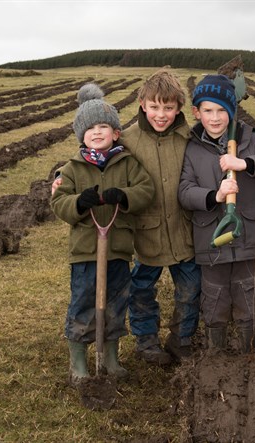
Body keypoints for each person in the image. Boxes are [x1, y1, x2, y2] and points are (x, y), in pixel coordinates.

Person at [178, 74, 255, 353]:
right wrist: (215, 195)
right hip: (211, 238)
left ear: (231, 111)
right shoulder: (192, 147)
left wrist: (243, 163)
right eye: (208, 110)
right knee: (214, 298)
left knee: (248, 294)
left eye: (221, 110)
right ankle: (214, 354)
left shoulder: (251, 140)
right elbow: (184, 190)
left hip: (248, 238)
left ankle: (250, 352)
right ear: (197, 112)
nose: (215, 118)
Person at [51, 83, 154, 386]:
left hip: (118, 249)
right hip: (85, 251)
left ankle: (111, 358)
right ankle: (79, 363)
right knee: (83, 303)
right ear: (80, 136)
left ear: (116, 133)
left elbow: (145, 190)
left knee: (115, 303)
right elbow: (59, 202)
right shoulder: (72, 169)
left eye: (103, 127)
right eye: (90, 129)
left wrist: (123, 195)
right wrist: (78, 203)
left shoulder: (127, 162)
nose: (97, 133)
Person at [121, 69, 202, 365]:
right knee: (140, 289)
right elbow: (95, 156)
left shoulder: (190, 137)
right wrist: (60, 176)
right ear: (142, 104)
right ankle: (146, 342)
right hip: (146, 233)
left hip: (184, 230)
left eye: (168, 108)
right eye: (154, 107)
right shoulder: (127, 138)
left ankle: (181, 338)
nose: (161, 114)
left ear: (179, 107)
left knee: (192, 288)